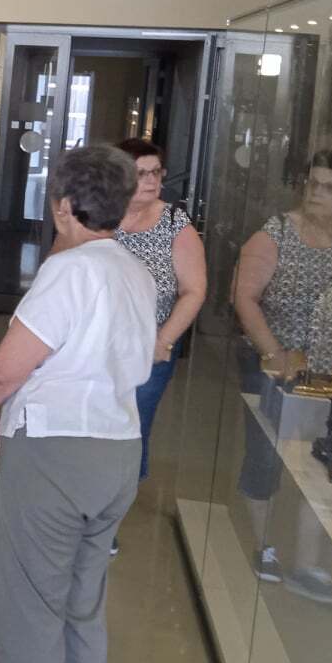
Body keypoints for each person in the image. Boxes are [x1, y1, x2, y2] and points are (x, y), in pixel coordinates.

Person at [0, 145, 155, 663]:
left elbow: (7, 368)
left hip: (55, 452)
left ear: (64, 206)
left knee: (34, 601)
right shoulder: (135, 272)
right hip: (118, 447)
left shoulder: (68, 271)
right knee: (83, 600)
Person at [232, 149, 332, 601]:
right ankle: (265, 545)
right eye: (313, 183)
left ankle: (308, 563)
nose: (317, 193)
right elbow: (244, 297)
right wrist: (275, 353)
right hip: (278, 371)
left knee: (325, 465)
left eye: (330, 187)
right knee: (267, 457)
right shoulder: (275, 234)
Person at [112, 139, 206, 484]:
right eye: (141, 173)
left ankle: (116, 510)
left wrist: (163, 341)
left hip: (150, 347)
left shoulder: (173, 223)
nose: (151, 180)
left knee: (132, 429)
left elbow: (194, 290)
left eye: (156, 172)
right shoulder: (98, 215)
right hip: (96, 346)